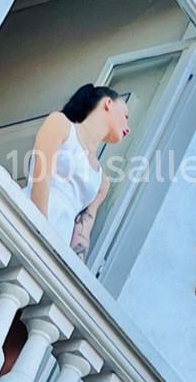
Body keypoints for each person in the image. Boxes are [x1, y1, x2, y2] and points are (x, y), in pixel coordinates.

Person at [26, 83, 129, 259]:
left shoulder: (102, 181)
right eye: (126, 116)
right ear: (108, 103)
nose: (128, 127)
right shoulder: (60, 124)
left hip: (57, 243)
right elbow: (41, 178)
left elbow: (83, 230)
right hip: (28, 221)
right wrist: (41, 233)